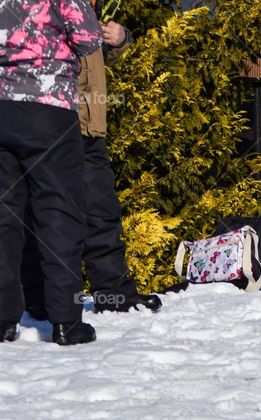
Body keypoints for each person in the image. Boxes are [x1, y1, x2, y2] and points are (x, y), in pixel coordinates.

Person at [21, 2, 162, 318]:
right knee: (46, 213)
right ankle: (39, 299)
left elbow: (90, 61)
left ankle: (112, 294)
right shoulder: (47, 9)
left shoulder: (84, 10)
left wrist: (119, 39)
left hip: (87, 128)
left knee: (100, 210)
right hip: (57, 124)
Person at [0, 0, 101, 344]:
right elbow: (89, 38)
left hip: (1, 107)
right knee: (60, 212)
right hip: (49, 108)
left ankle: (2, 319)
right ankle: (65, 321)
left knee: (4, 215)